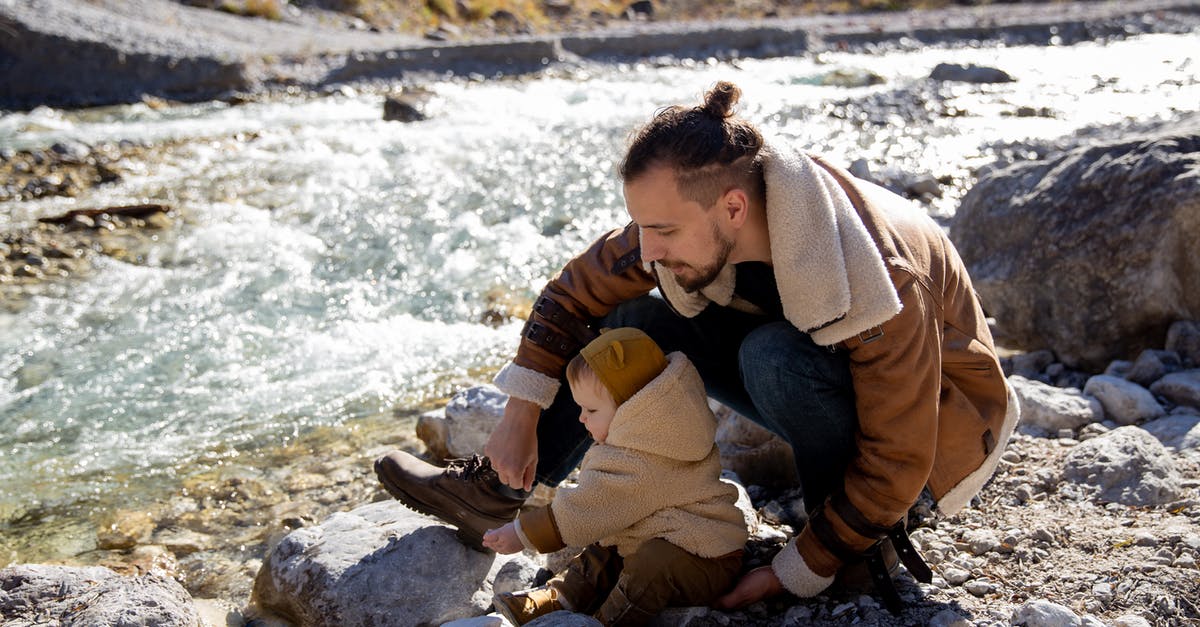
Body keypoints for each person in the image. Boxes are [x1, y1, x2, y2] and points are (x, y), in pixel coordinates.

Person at [376, 80, 1019, 610]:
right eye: (640, 226)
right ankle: (499, 492)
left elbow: (902, 456)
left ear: (733, 209)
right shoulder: (705, 211)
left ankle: (853, 544)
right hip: (822, 374)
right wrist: (519, 419)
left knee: (773, 359)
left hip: (936, 434)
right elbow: (571, 295)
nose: (647, 247)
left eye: (661, 229)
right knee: (634, 313)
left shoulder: (879, 275)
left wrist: (800, 566)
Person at [478, 327, 747, 625]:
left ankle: (609, 619)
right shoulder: (656, 432)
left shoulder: (645, 459)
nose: (581, 418)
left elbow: (587, 508)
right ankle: (563, 595)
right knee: (604, 547)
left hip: (705, 559)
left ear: (634, 410)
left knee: (652, 563)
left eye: (591, 409)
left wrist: (521, 533)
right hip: (662, 532)